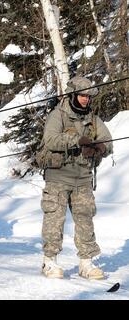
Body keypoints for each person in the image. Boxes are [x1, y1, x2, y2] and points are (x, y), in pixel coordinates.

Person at [39, 76, 113, 280]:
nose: (85, 100)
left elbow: (108, 140)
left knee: (85, 220)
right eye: (82, 95)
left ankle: (86, 264)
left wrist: (100, 147)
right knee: (55, 219)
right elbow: (51, 139)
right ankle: (49, 261)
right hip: (58, 176)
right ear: (72, 94)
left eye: (88, 97)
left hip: (83, 178)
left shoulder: (93, 118)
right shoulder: (58, 115)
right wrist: (78, 140)